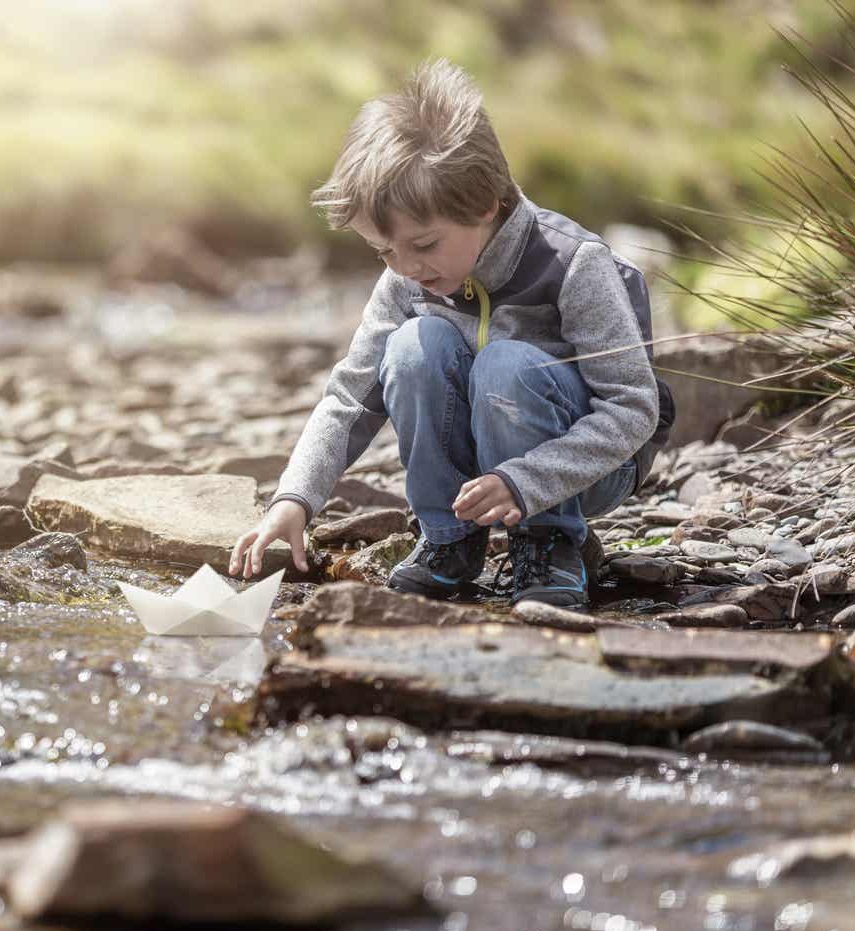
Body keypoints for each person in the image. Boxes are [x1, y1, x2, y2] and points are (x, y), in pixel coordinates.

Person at [229, 58, 674, 610]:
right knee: (414, 348)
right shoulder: (405, 279)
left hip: (588, 465)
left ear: (485, 204)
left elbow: (633, 409)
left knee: (506, 364)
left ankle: (551, 541)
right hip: (486, 467)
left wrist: (527, 482)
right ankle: (450, 539)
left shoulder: (573, 265)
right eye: (383, 250)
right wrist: (294, 498)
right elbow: (348, 397)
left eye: (422, 245)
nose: (404, 265)